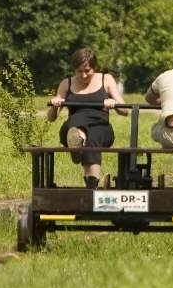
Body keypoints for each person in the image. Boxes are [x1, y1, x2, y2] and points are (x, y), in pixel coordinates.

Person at [47, 47, 127, 188]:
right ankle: (77, 139)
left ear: (94, 68)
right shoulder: (67, 83)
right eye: (79, 71)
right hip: (72, 124)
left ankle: (80, 148)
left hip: (100, 124)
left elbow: (125, 110)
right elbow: (51, 118)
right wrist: (55, 104)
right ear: (73, 69)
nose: (83, 75)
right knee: (78, 120)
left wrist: (114, 104)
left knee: (94, 136)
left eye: (87, 71)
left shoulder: (106, 79)